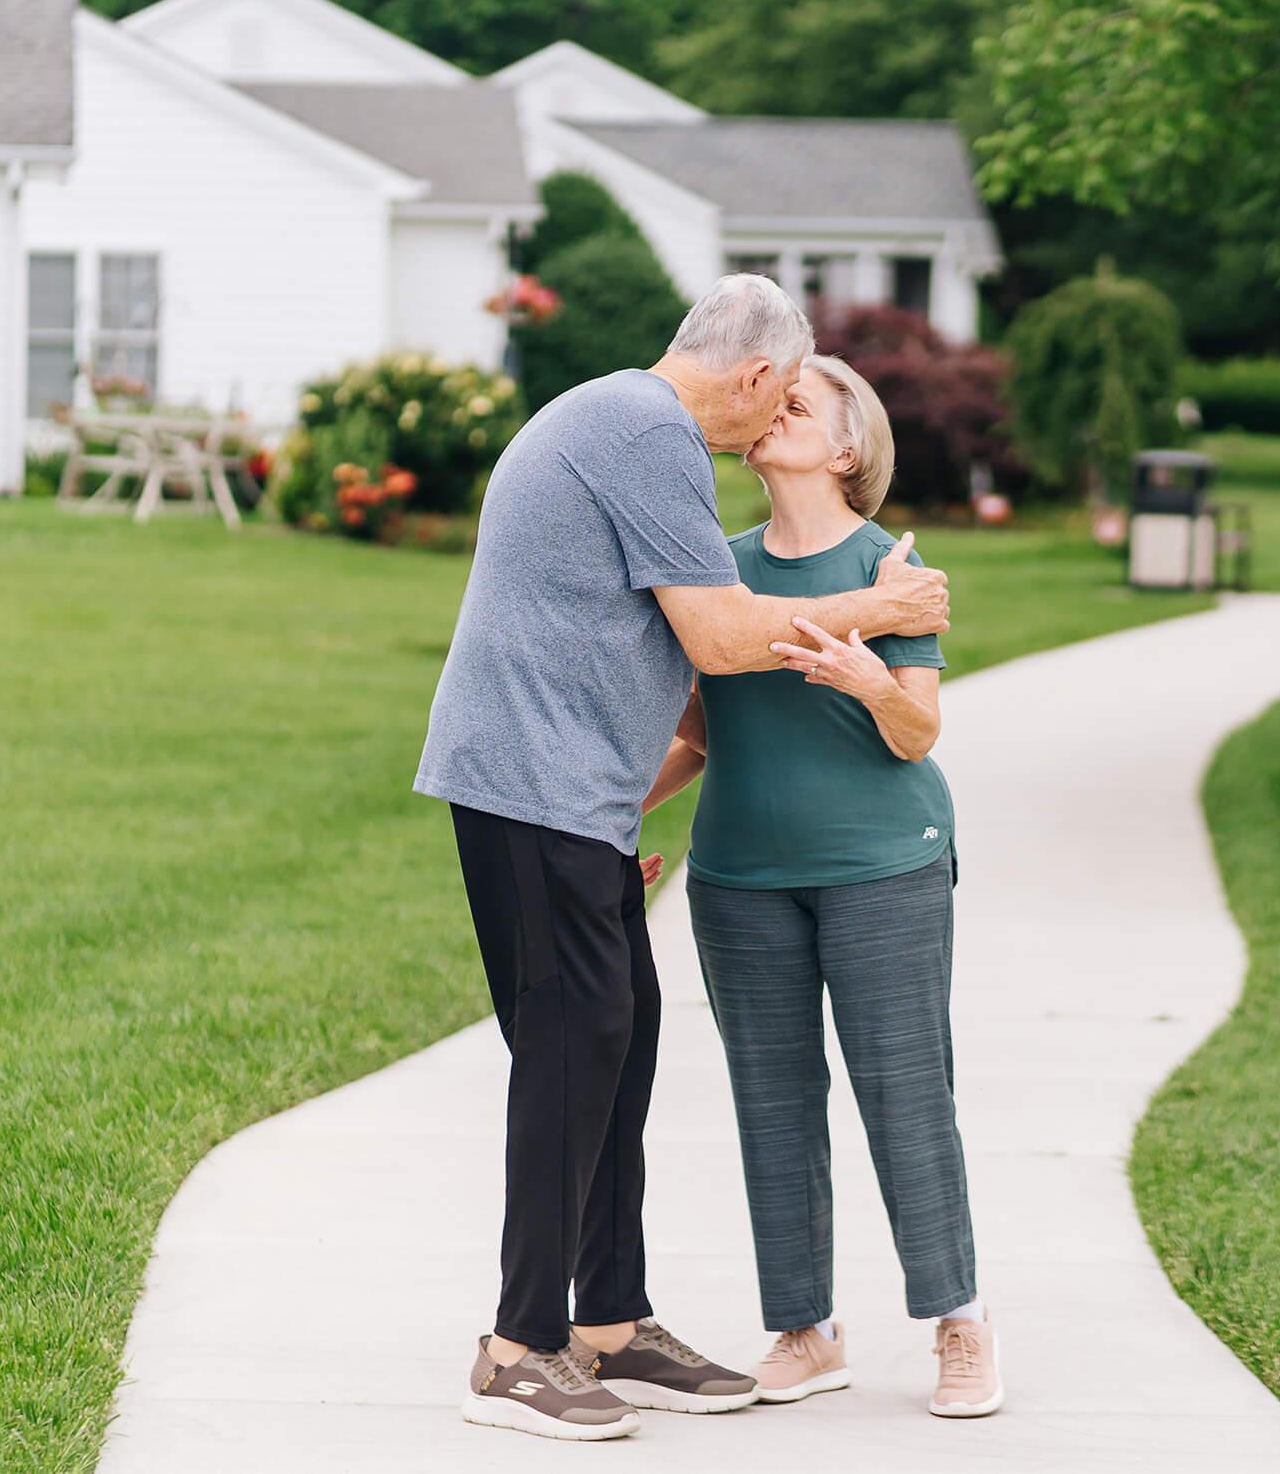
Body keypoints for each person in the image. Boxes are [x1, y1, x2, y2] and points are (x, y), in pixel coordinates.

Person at [414, 277, 951, 1443]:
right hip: (529, 784)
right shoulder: (648, 430)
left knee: (619, 1035)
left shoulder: (627, 421)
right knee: (574, 1045)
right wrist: (885, 602)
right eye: (781, 397)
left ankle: (608, 1322)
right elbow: (716, 637)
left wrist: (621, 815)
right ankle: (516, 1350)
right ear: (755, 375)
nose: (775, 424)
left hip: (572, 798)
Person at [639, 354, 1003, 1419]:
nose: (772, 412)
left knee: (903, 1094)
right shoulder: (717, 569)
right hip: (742, 879)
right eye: (769, 401)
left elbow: (917, 731)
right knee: (772, 1104)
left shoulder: (895, 569)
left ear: (847, 446)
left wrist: (866, 672)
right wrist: (602, 821)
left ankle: (958, 1322)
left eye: (798, 403)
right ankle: (802, 1331)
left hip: (882, 866)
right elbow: (698, 735)